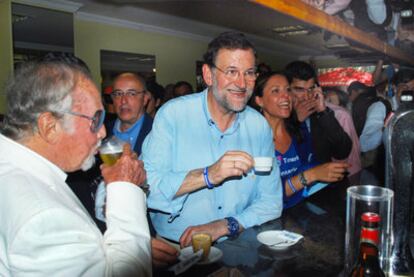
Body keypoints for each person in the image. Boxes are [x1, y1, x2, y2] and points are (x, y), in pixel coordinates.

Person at [0, 60, 151, 276]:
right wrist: (125, 187)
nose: (102, 134)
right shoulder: (45, 219)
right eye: (95, 121)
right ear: (49, 126)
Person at [141, 31, 282, 246]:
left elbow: (271, 202)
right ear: (208, 75)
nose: (242, 83)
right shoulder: (173, 115)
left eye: (249, 73)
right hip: (177, 249)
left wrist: (226, 225)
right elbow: (145, 187)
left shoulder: (258, 126)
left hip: (238, 245)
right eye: (232, 71)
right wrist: (207, 175)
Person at [254, 72, 349, 208]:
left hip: (299, 210)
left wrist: (329, 171)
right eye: (276, 91)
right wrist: (312, 174)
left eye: (287, 90)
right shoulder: (253, 140)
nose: (286, 96)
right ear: (259, 100)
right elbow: (263, 195)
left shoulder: (298, 131)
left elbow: (307, 165)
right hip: (268, 218)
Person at [284, 61, 353, 164]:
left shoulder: (320, 115)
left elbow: (343, 152)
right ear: (287, 90)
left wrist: (323, 112)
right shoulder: (279, 115)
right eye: (299, 90)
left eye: (311, 89)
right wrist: (295, 121)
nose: (307, 96)